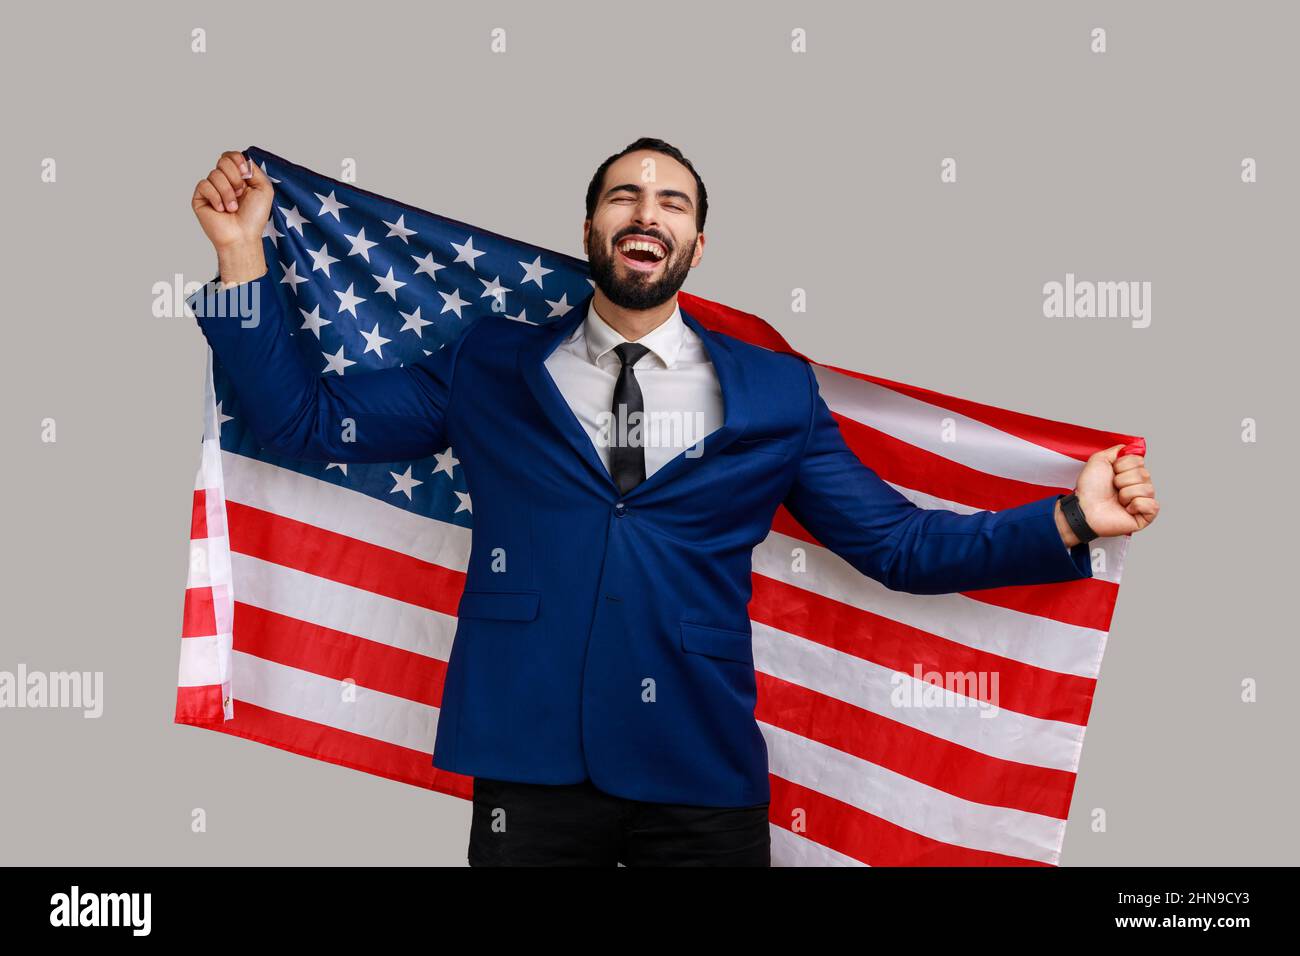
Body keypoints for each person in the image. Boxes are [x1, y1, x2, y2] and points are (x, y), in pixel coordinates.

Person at [189, 138, 1159, 866]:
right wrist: (243, 255)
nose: (644, 211)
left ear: (697, 239)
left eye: (670, 200)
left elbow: (899, 545)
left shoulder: (776, 393)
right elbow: (303, 421)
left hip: (700, 772)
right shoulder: (487, 364)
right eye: (622, 194)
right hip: (527, 773)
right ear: (590, 229)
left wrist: (1070, 521)